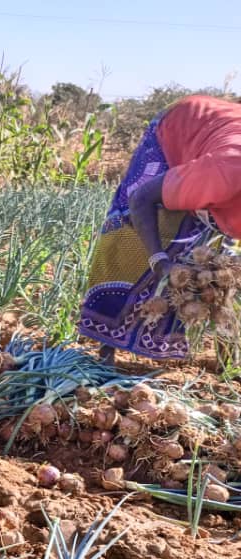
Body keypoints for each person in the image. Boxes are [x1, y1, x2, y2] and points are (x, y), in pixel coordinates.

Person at [79, 94, 241, 362]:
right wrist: (158, 259)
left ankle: (228, 358)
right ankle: (106, 346)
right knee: (134, 232)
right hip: (180, 128)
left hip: (222, 140)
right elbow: (140, 199)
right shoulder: (221, 174)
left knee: (219, 269)